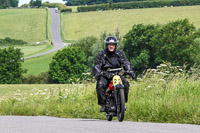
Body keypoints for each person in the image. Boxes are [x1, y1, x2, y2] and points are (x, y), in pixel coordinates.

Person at [92, 36, 135, 112]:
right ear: (106, 45)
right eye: (109, 44)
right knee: (100, 85)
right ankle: (103, 105)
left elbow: (125, 62)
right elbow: (97, 65)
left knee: (126, 83)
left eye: (113, 44)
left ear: (115, 45)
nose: (111, 46)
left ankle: (123, 103)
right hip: (105, 74)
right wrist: (98, 73)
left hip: (117, 74)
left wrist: (130, 70)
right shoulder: (102, 54)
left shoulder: (120, 53)